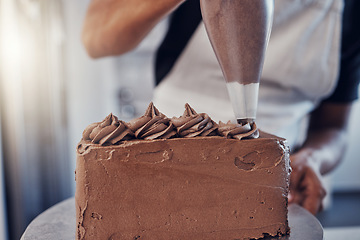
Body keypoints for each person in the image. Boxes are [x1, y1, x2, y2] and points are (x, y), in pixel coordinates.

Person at [81, 0, 360, 215]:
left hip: (275, 184)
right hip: (168, 157)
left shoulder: (349, 11)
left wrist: (313, 157)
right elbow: (95, 37)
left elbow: (332, 126)